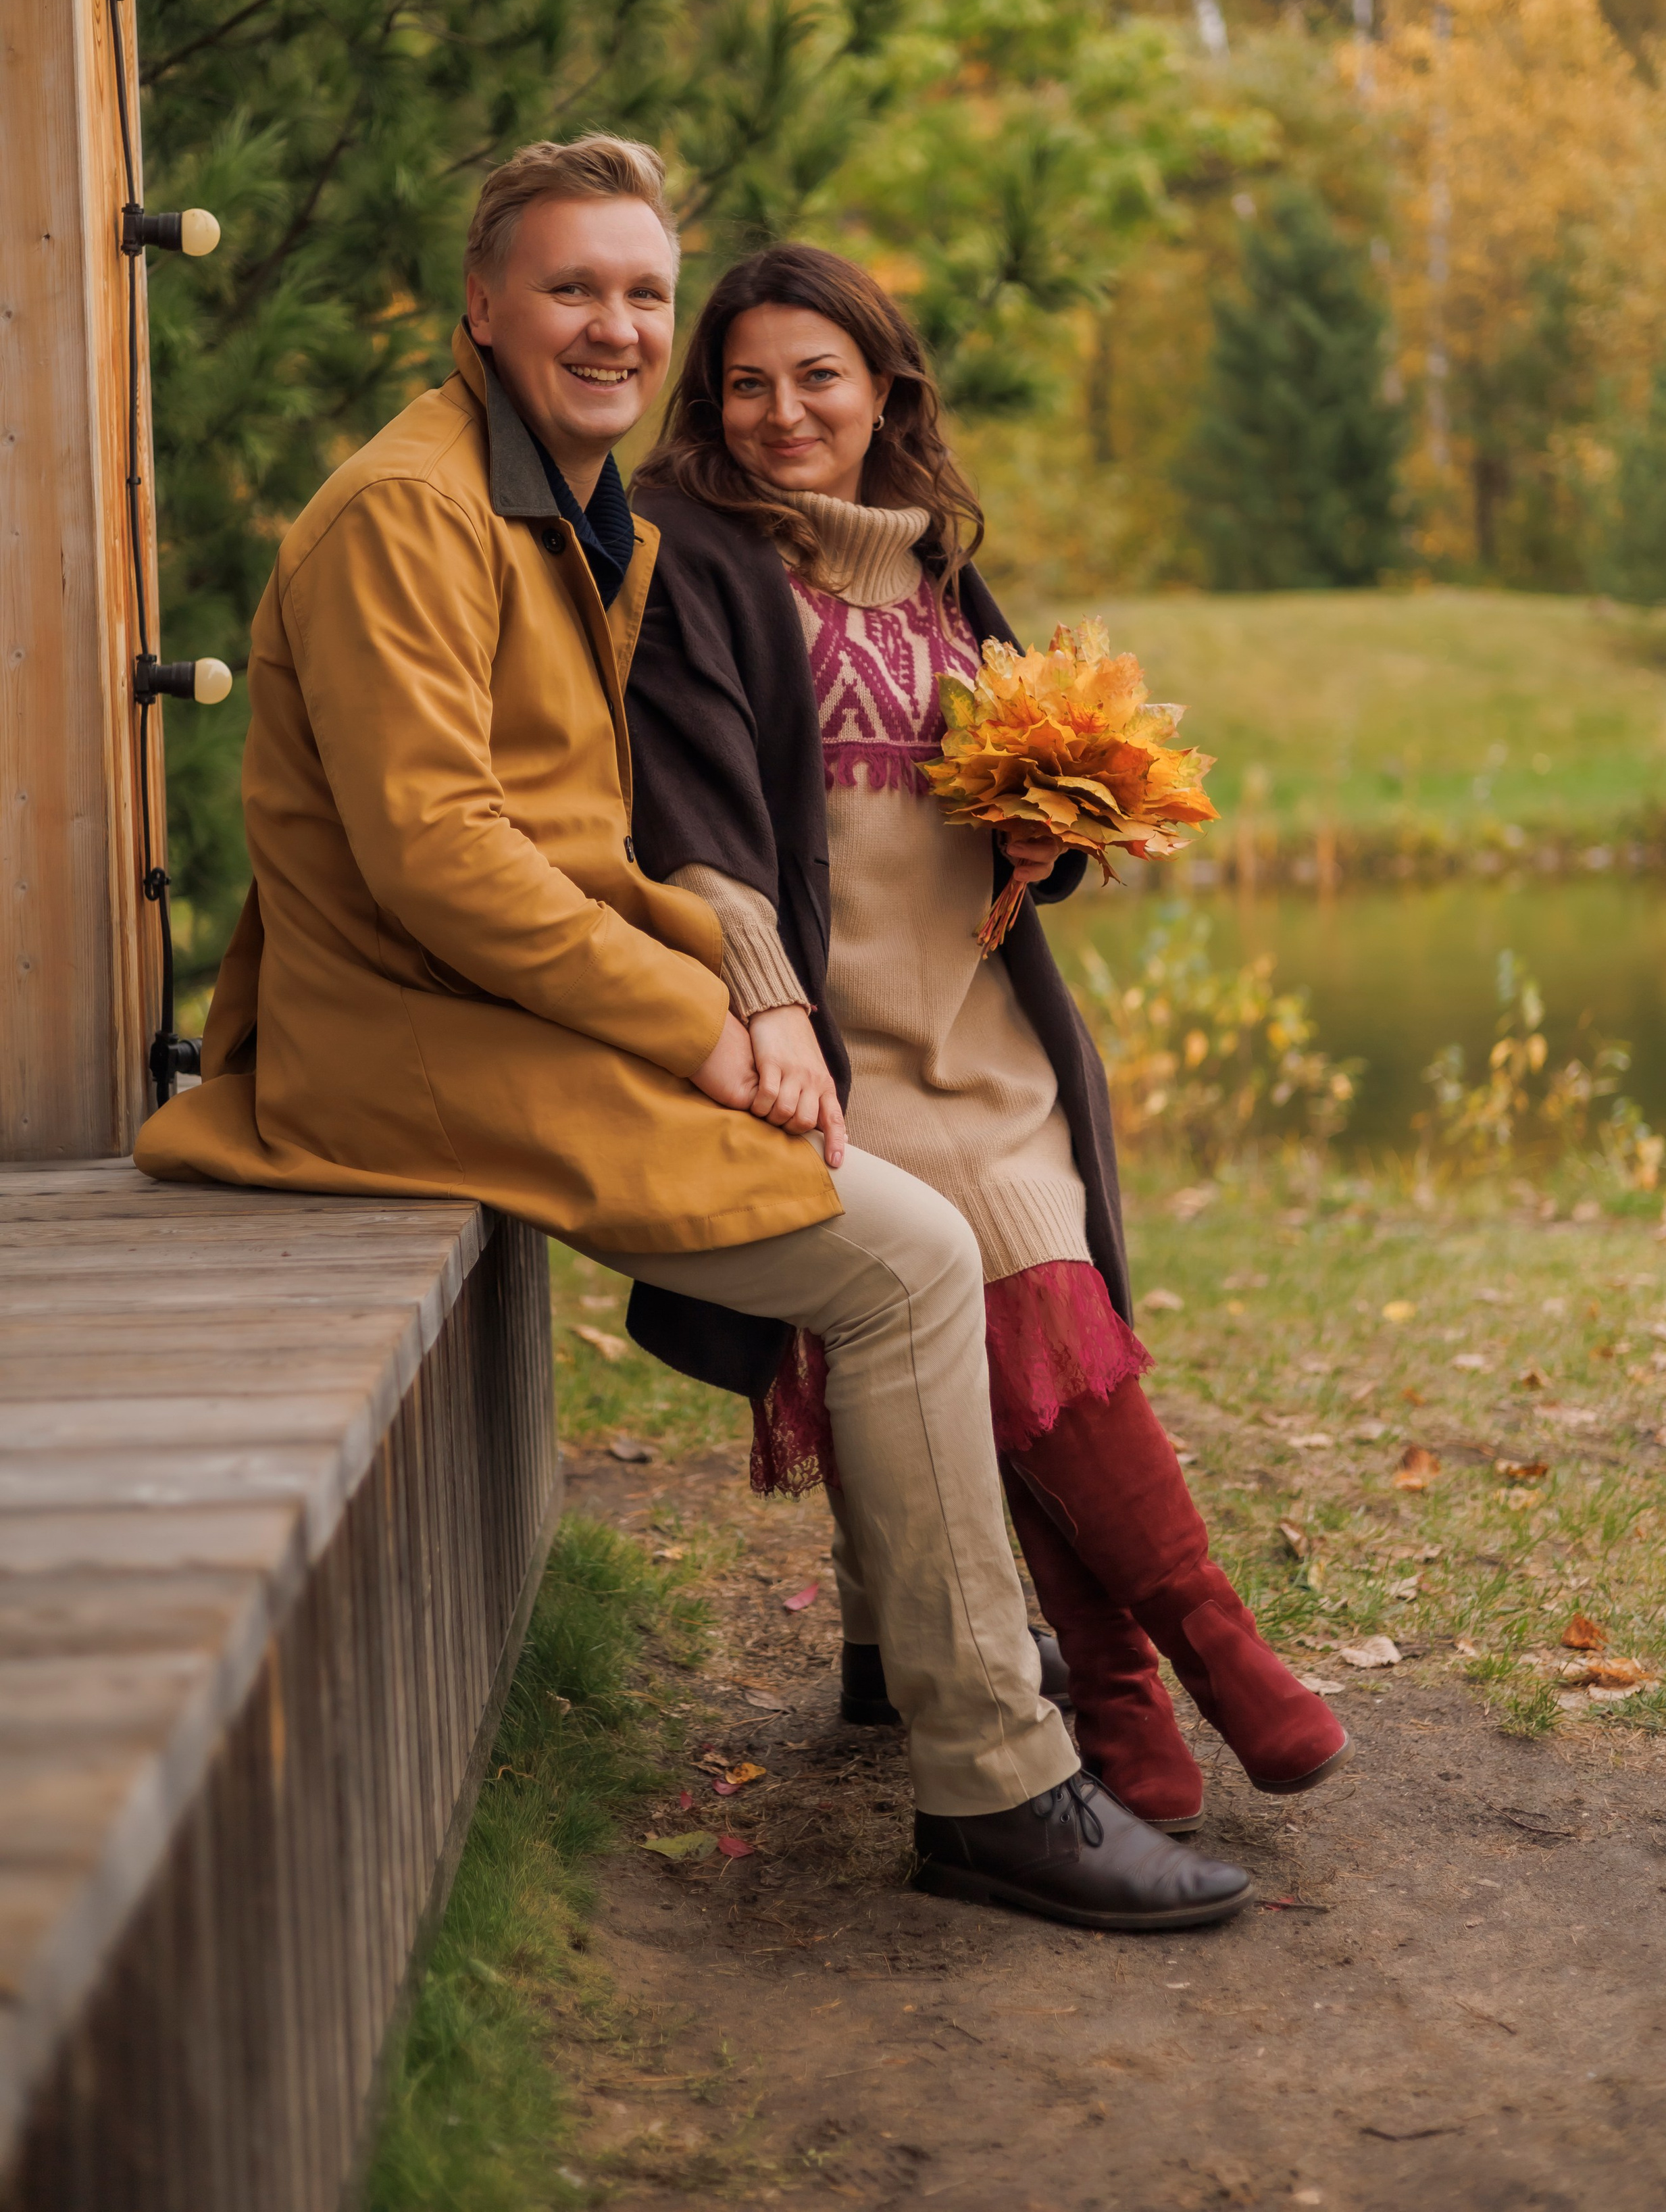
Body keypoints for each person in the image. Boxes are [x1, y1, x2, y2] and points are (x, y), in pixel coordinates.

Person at [133, 136, 1251, 1934]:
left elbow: (590, 837)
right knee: (900, 1251)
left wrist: (762, 989)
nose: (616, 325)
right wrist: (706, 1021)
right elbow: (441, 859)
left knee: (906, 1230)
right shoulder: (406, 517)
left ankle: (922, 1657)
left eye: (645, 292)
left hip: (517, 999)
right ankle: (1000, 1776)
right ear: (482, 305)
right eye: (573, 287)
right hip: (407, 1030)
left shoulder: (569, 509)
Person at [623, 243, 1351, 1833]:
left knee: (1033, 1347)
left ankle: (1116, 1688)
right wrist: (764, 1002)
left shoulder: (940, 573)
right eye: (746, 381)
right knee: (1021, 1327)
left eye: (816, 377)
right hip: (842, 1055)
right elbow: (682, 810)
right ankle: (1200, 1657)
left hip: (988, 1038)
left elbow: (1022, 783)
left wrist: (1050, 833)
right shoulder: (694, 557)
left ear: (884, 388)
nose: (779, 411)